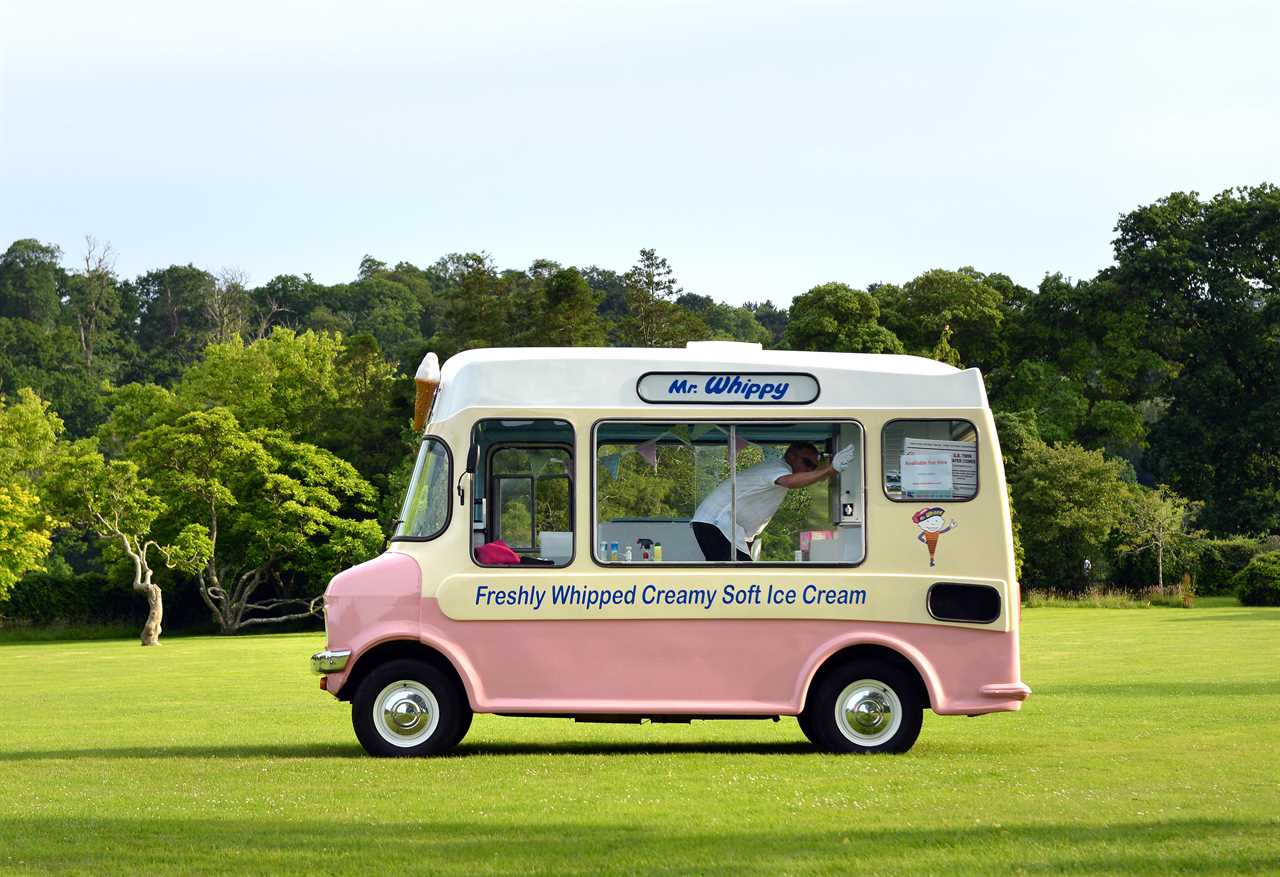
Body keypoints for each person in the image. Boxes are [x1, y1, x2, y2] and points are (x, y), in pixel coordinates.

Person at [691, 441, 856, 561]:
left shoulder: (780, 470)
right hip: (716, 522)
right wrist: (830, 469)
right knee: (736, 580)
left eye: (813, 467)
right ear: (791, 456)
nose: (808, 470)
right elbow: (790, 482)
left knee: (735, 577)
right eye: (807, 463)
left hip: (722, 525)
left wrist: (828, 471)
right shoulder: (778, 469)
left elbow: (752, 524)